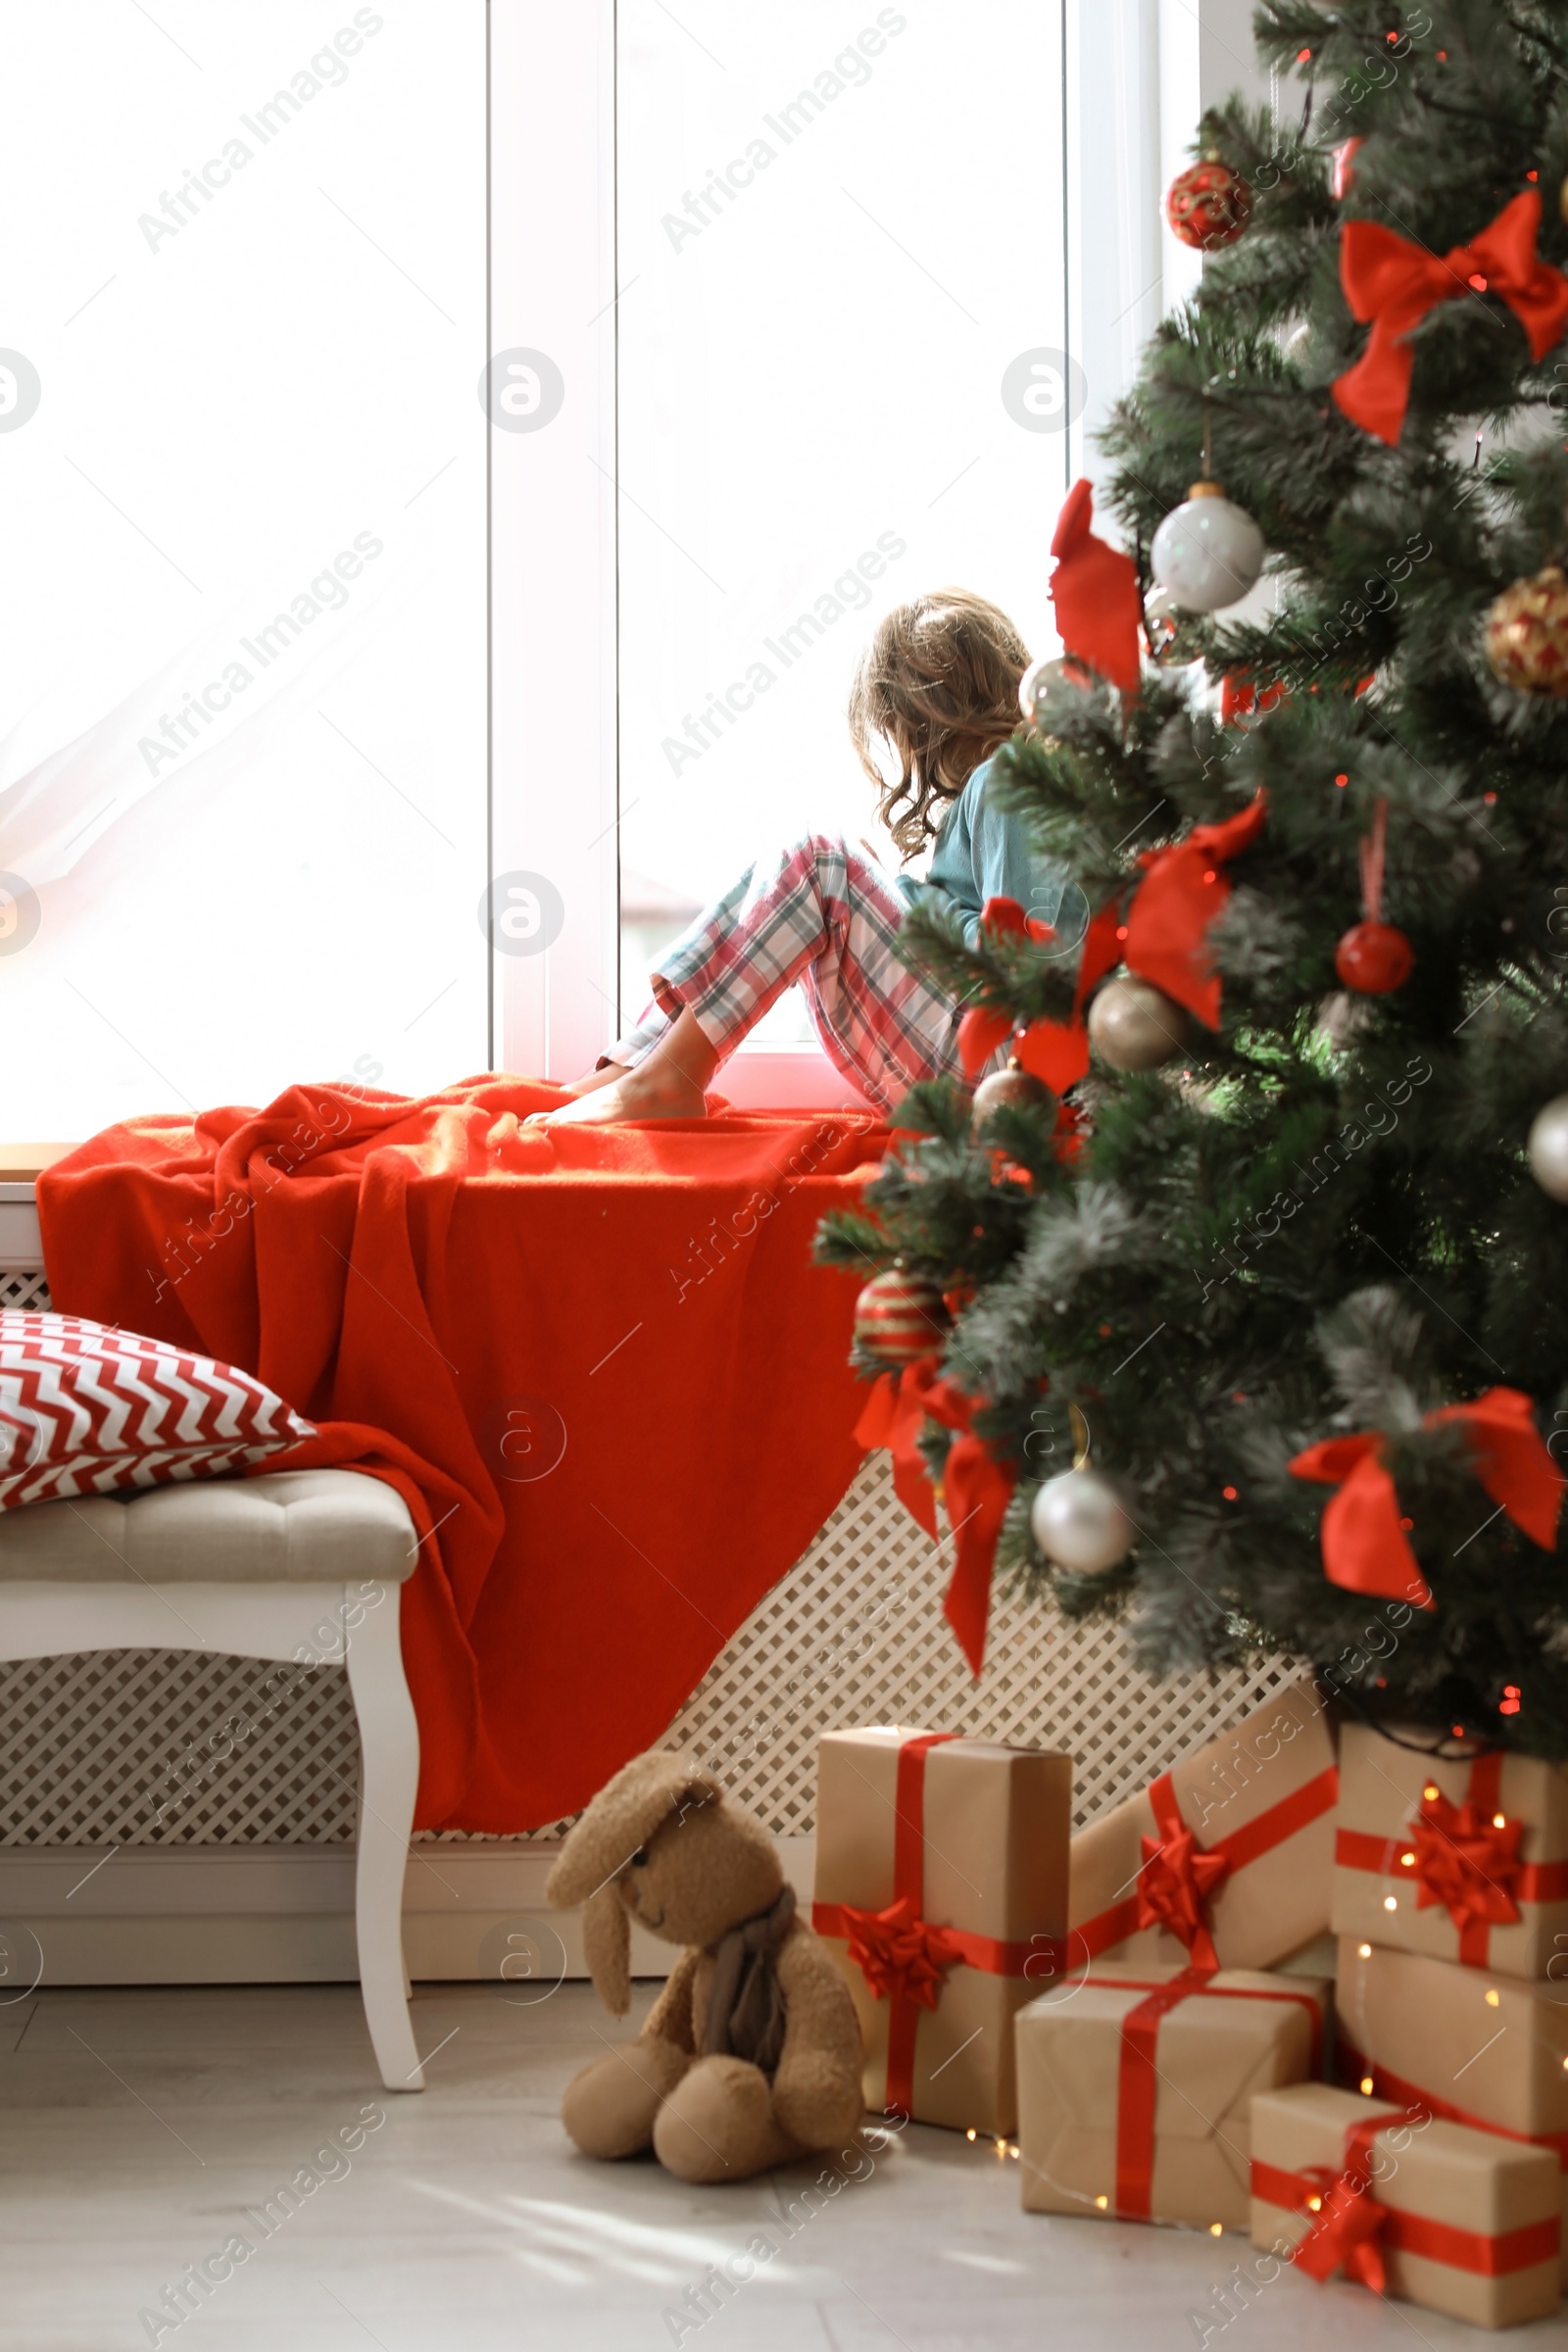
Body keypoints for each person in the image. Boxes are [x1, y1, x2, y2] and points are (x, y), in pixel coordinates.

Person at [535, 589, 1067, 1125]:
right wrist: (898, 896)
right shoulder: (996, 787)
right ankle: (636, 1066)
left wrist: (913, 905)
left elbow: (1038, 965)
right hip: (985, 1068)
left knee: (819, 860)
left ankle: (669, 1076)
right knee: (811, 867)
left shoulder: (1011, 776)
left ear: (926, 717)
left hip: (1012, 1075)